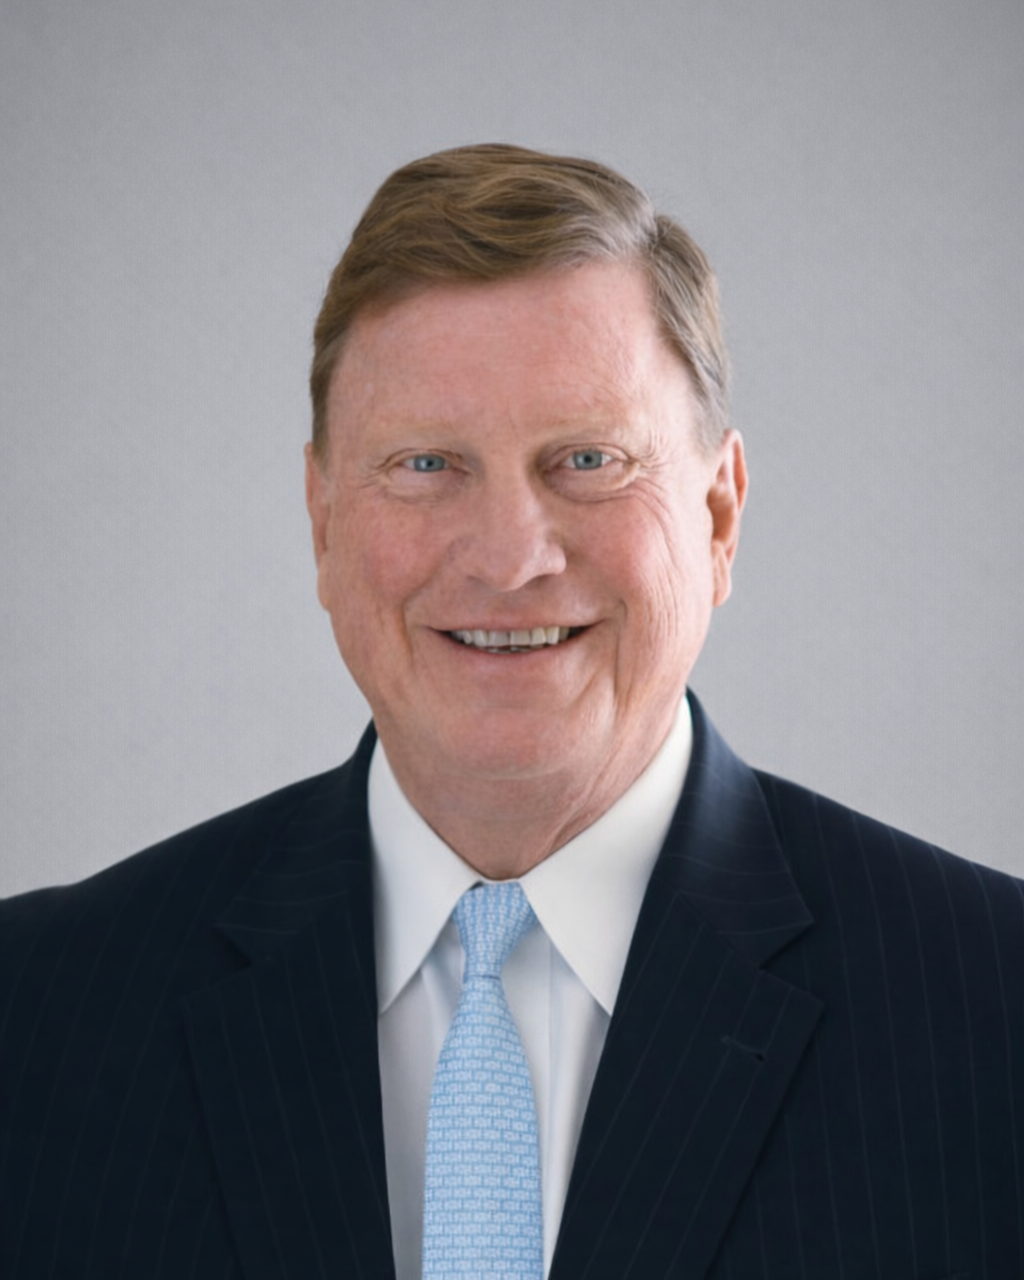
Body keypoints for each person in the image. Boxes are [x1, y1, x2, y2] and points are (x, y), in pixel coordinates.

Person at [2, 144, 1022, 1280]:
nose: (509, 558)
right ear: (322, 519)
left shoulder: (992, 1009)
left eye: (587, 458)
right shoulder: (36, 1014)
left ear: (720, 514)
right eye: (427, 463)